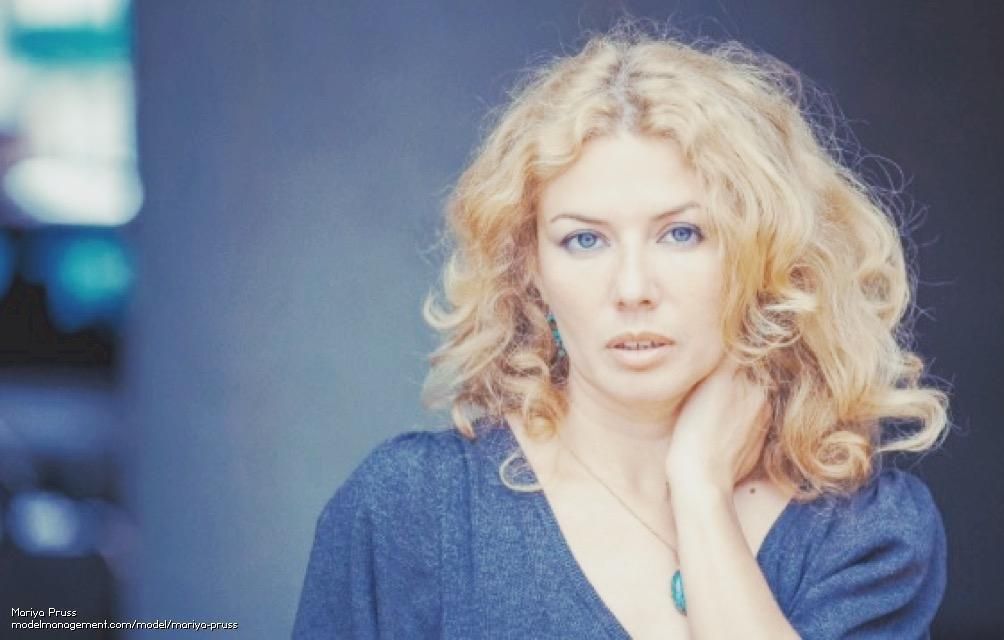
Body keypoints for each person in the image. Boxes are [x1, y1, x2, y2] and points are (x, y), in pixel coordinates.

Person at [293, 22, 949, 640]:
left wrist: (699, 489)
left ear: (765, 256)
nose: (632, 288)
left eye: (681, 233)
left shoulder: (869, 534)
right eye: (584, 240)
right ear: (531, 271)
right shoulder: (410, 511)